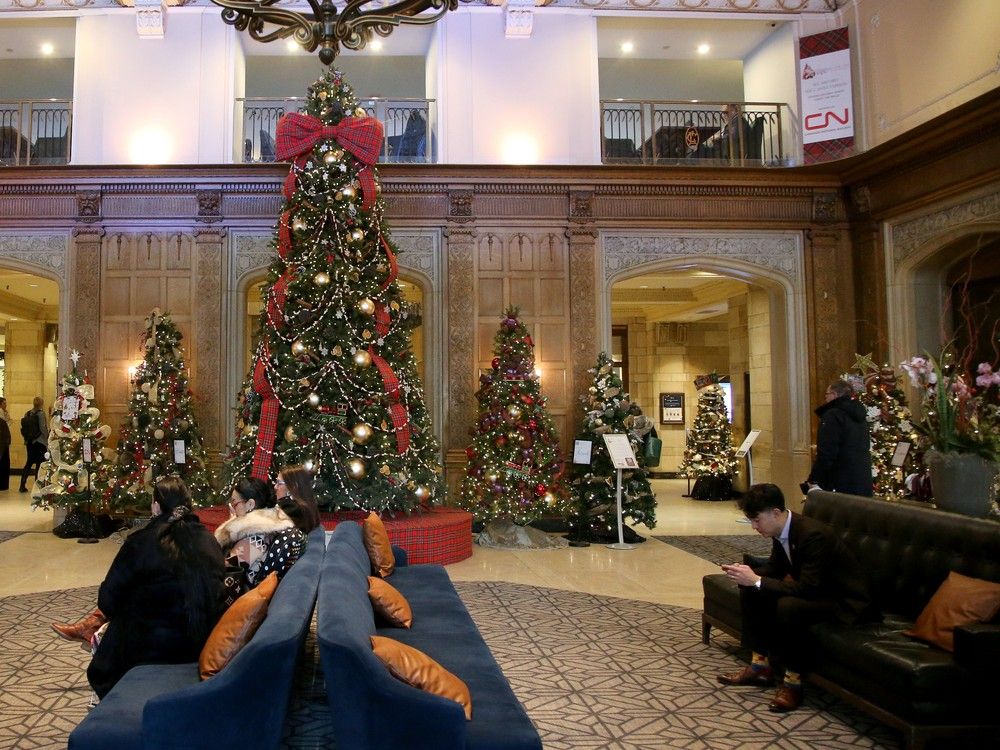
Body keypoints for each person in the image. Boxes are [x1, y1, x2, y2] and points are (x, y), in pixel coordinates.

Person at [716, 483, 873, 712]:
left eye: (757, 520)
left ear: (776, 513)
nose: (753, 526)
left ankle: (793, 683)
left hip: (844, 601)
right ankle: (760, 666)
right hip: (818, 591)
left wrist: (757, 580)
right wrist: (746, 574)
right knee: (751, 588)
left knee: (789, 606)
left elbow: (808, 588)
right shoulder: (781, 530)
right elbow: (776, 568)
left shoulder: (812, 535)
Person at [85, 476, 226, 699]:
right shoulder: (208, 540)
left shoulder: (141, 542)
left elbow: (108, 601)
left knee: (115, 630)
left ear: (156, 506)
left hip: (149, 648)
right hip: (199, 642)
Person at [215, 476, 307, 594]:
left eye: (234, 503)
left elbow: (223, 568)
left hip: (236, 597)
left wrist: (233, 526)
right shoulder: (267, 526)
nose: (232, 507)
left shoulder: (254, 537)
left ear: (250, 504)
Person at [806, 379, 873, 496]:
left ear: (834, 395)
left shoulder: (832, 415)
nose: (825, 399)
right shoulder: (860, 415)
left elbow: (827, 452)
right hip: (862, 478)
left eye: (826, 395)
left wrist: (814, 479)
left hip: (840, 482)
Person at [274, 463, 321, 534]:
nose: (275, 487)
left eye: (279, 483)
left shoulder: (292, 509)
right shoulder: (306, 507)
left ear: (293, 487)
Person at [19, 396, 46, 493]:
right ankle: (37, 486)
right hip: (39, 442)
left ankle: (22, 485)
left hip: (29, 442)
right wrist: (47, 439)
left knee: (29, 463)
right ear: (41, 404)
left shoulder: (27, 413)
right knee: (39, 464)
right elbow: (43, 429)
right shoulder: (41, 414)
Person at [0, 397, 11, 491]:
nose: (5, 405)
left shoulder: (4, 412)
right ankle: (2, 484)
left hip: (4, 442)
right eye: (4, 403)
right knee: (3, 463)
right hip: (2, 442)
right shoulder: (0, 412)